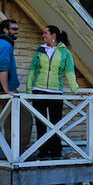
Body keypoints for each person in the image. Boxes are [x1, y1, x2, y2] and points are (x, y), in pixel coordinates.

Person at [27, 25, 80, 159]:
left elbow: (69, 73)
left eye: (45, 33)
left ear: (53, 35)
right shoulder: (39, 51)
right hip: (38, 91)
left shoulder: (65, 53)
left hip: (55, 92)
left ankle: (56, 152)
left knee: (56, 124)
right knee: (40, 124)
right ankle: (43, 152)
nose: (43, 36)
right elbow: (32, 71)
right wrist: (29, 91)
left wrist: (76, 90)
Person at [0, 19, 32, 148]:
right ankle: (20, 149)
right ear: (5, 31)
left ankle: (10, 147)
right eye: (14, 29)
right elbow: (2, 68)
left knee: (10, 118)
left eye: (17, 29)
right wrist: (7, 90)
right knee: (25, 117)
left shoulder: (3, 44)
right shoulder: (4, 46)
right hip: (5, 89)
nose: (17, 31)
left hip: (2, 88)